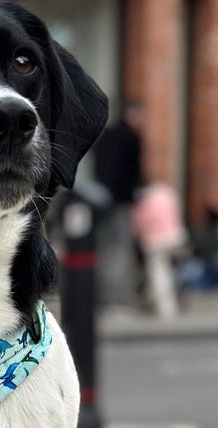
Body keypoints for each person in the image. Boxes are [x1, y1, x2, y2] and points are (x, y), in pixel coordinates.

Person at [93, 101, 145, 305]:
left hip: (103, 199)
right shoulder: (131, 137)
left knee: (103, 247)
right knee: (120, 249)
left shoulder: (106, 136)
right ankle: (115, 297)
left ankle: (101, 295)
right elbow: (133, 172)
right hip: (121, 201)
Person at [130, 182, 187, 320]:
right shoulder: (167, 193)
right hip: (176, 236)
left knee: (158, 274)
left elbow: (138, 222)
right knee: (170, 271)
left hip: (155, 241)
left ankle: (165, 306)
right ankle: (164, 300)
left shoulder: (144, 199)